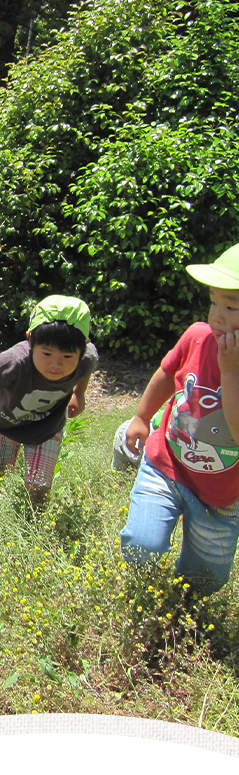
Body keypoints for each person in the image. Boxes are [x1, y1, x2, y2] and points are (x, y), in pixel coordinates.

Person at [119, 244, 239, 596]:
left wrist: (230, 372)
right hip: (166, 463)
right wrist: (141, 416)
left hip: (223, 493)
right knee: (142, 547)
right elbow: (166, 372)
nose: (217, 315)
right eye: (214, 302)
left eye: (231, 306)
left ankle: (180, 613)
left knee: (205, 580)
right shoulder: (198, 336)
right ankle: (139, 598)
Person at [0, 295, 98, 506]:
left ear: (83, 347)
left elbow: (88, 365)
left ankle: (33, 522)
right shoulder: (14, 361)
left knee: (39, 487)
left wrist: (79, 394)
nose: (56, 364)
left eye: (67, 357)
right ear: (30, 340)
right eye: (47, 353)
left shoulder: (86, 358)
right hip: (3, 423)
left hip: (46, 427)